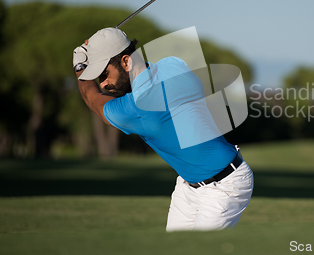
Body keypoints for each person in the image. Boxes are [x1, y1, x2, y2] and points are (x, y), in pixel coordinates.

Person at [73, 27, 253, 231]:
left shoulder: (137, 107)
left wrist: (80, 66)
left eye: (104, 74)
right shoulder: (173, 64)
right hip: (188, 186)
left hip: (224, 187)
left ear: (125, 61)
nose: (103, 84)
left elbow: (93, 100)